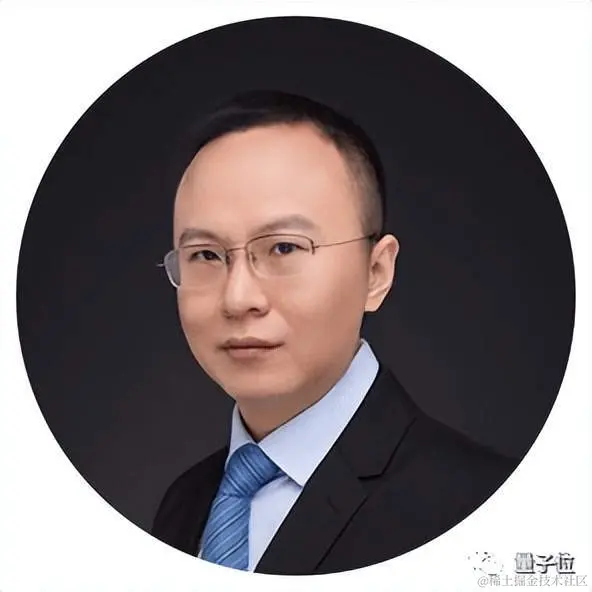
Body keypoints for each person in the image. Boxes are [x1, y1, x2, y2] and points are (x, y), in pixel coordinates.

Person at [151, 90, 518, 575]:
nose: (238, 299)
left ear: (376, 272)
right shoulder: (185, 504)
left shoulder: (487, 507)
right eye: (205, 255)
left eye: (284, 248)